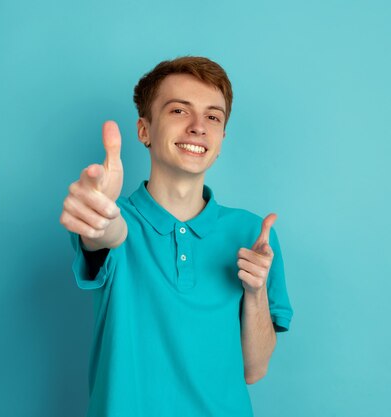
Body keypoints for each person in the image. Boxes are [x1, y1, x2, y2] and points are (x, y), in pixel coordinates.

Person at [60, 56, 293, 417]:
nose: (199, 127)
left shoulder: (253, 233)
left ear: (221, 138)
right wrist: (99, 217)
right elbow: (107, 234)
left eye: (213, 117)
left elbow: (254, 369)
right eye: (179, 111)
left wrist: (255, 291)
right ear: (144, 130)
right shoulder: (118, 218)